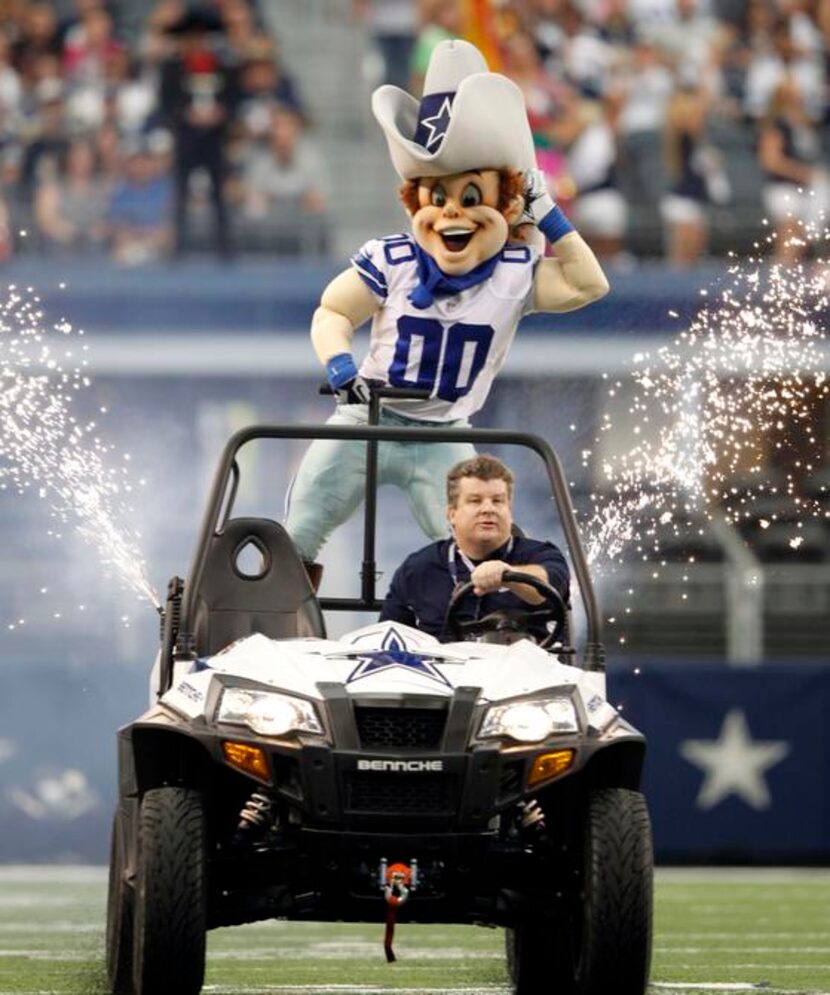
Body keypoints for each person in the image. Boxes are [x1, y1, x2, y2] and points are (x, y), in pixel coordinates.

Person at [284, 39, 608, 571]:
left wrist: (548, 216)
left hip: (443, 432)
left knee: (478, 552)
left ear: (505, 203)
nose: (452, 214)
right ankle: (279, 625)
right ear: (417, 200)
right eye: (439, 198)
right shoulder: (395, 259)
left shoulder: (513, 272)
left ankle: (478, 633)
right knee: (297, 534)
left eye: (471, 197)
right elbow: (332, 313)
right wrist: (341, 367)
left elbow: (589, 285)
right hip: (366, 417)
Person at [380, 454, 570, 642]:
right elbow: (386, 643)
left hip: (528, 668)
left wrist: (508, 575)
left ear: (509, 512)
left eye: (497, 501)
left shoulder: (542, 555)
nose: (488, 509)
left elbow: (547, 586)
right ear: (451, 514)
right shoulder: (417, 569)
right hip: (446, 670)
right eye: (475, 500)